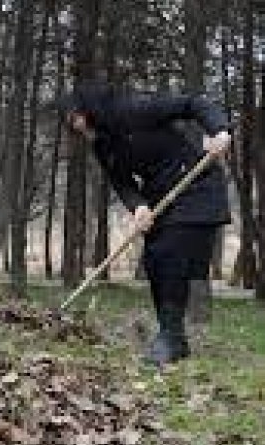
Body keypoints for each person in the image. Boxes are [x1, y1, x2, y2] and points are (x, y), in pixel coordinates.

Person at [61, 81, 232, 365]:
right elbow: (122, 182)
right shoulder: (103, 144)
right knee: (153, 259)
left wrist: (220, 131)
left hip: (195, 186)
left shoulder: (136, 110)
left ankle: (170, 338)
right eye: (70, 123)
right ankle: (173, 337)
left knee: (170, 252)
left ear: (91, 110)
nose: (76, 126)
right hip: (161, 197)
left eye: (76, 118)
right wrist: (138, 206)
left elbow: (193, 103)